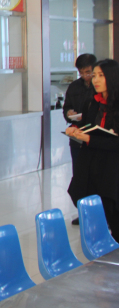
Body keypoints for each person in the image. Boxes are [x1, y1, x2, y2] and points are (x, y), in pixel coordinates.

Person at [66, 59, 119, 240]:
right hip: (92, 164)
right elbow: (87, 125)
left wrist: (89, 138)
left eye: (101, 76)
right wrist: (75, 129)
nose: (95, 80)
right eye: (94, 75)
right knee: (90, 205)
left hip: (112, 168)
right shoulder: (94, 102)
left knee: (112, 211)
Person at [63, 53, 97, 225]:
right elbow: (67, 107)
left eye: (88, 72)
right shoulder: (74, 87)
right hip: (77, 138)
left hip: (95, 139)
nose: (85, 76)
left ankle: (99, 214)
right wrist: (68, 113)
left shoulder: (99, 86)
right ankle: (84, 213)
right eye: (82, 72)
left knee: (95, 176)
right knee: (79, 176)